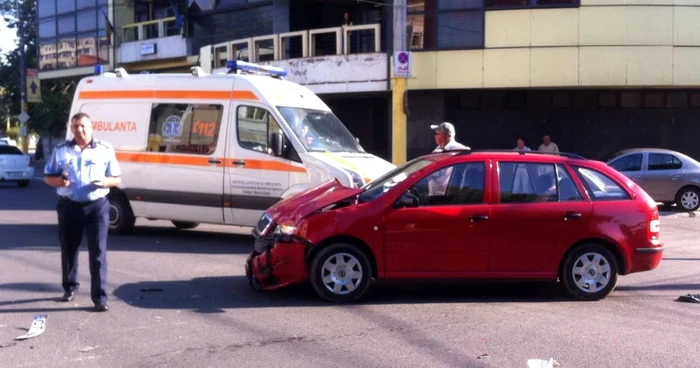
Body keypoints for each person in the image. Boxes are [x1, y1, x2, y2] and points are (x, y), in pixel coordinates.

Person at [44, 112, 122, 312]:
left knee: (98, 252)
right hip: (69, 206)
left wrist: (104, 182)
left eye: (82, 126)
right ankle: (69, 288)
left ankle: (99, 297)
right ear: (71, 129)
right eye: (75, 126)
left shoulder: (104, 149)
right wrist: (60, 181)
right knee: (69, 249)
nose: (79, 130)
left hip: (97, 207)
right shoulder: (61, 150)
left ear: (91, 127)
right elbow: (48, 177)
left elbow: (116, 178)